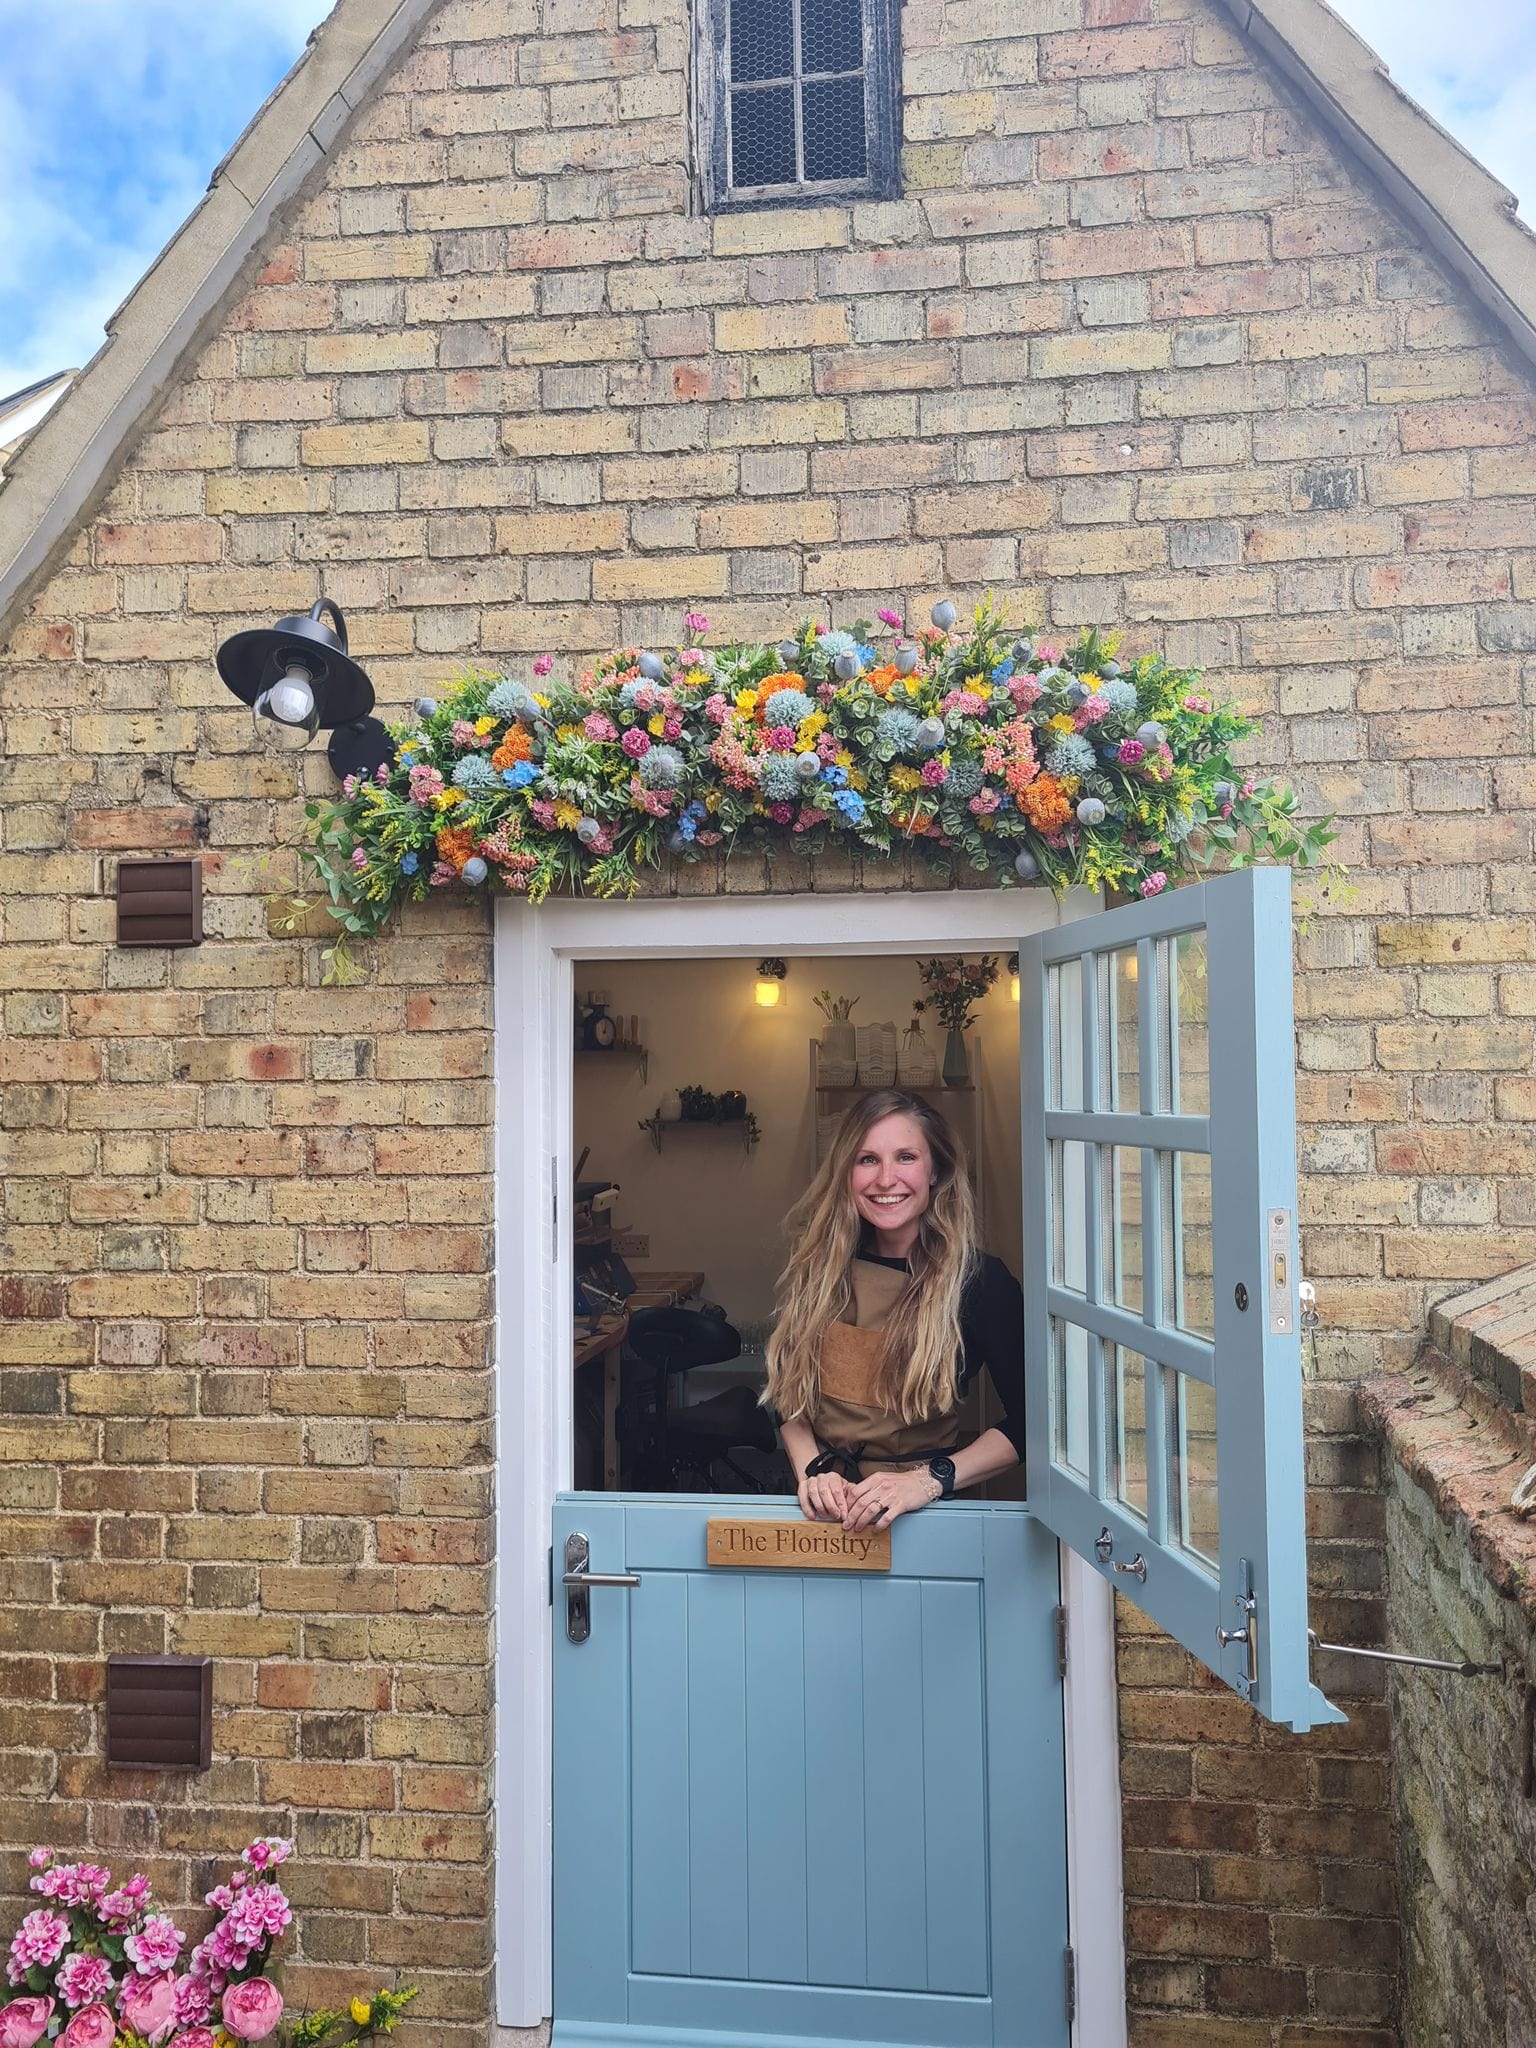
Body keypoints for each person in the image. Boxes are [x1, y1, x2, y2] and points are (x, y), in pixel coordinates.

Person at [764, 1088, 1024, 1532]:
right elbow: (783, 1392)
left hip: (922, 1517)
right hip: (819, 1512)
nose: (886, 1179)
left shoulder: (978, 1282)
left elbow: (1033, 1425)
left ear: (935, 1171)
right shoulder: (819, 1269)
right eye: (867, 1160)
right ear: (846, 1173)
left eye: (906, 1157)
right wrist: (812, 1471)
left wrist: (928, 1481)